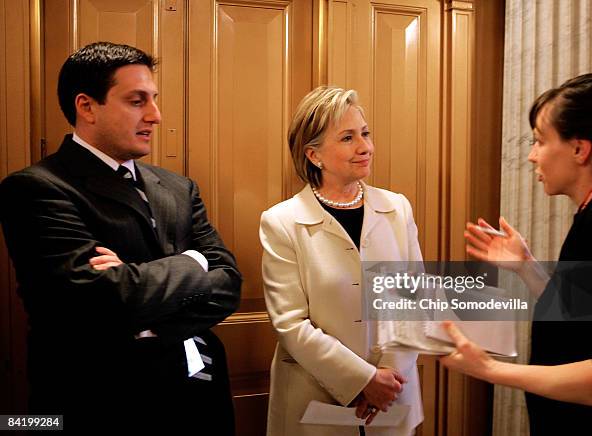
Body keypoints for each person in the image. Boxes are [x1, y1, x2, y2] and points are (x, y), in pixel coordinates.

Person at [0, 42, 241, 433]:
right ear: (87, 106)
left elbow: (229, 282)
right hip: (101, 405)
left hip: (199, 398)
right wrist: (193, 263)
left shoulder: (179, 188)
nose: (156, 115)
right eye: (136, 101)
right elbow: (98, 301)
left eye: (154, 99)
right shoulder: (36, 188)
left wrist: (139, 295)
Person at [440, 73, 592, 434]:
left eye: (539, 141)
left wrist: (490, 370)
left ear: (580, 149)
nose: (532, 156)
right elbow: (586, 322)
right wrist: (527, 268)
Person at [259, 86, 424, 435]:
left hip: (393, 400)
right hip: (315, 406)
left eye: (365, 133)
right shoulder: (282, 221)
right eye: (348, 138)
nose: (365, 147)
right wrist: (362, 380)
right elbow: (291, 324)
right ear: (314, 155)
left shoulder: (397, 208)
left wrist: (387, 380)